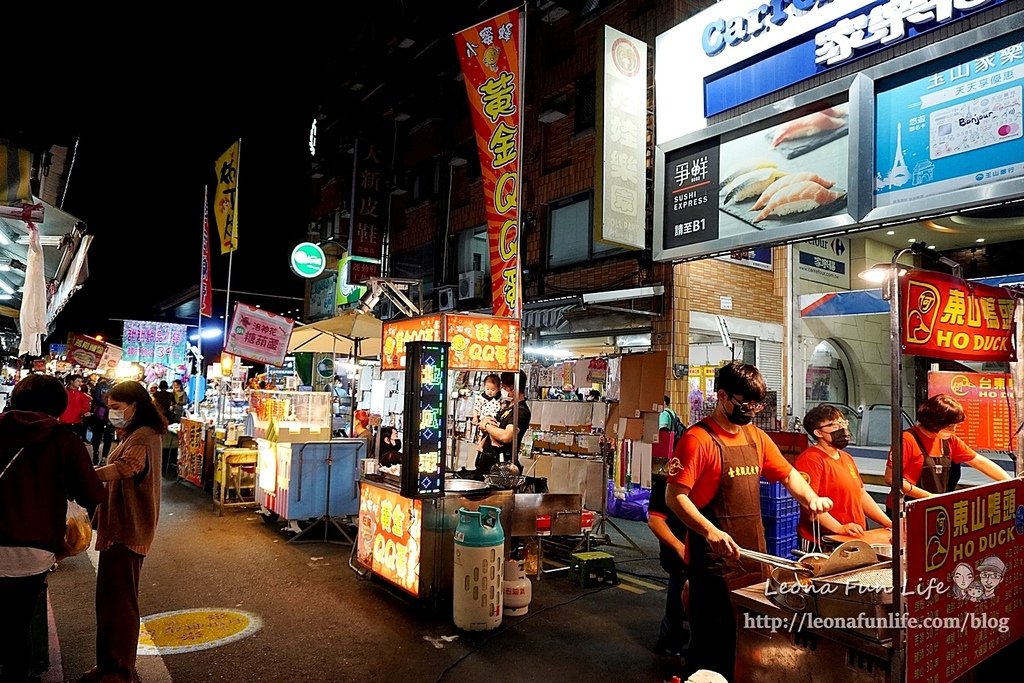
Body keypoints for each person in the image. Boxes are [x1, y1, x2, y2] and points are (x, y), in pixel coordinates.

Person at [666, 361, 833, 681]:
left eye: (757, 404)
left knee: (750, 644)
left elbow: (788, 474)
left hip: (754, 562)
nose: (752, 411)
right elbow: (675, 498)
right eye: (746, 403)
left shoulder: (756, 437)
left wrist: (809, 497)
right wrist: (710, 530)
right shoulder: (698, 439)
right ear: (723, 396)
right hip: (713, 565)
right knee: (711, 649)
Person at [0, 375, 104, 683]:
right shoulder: (63, 441)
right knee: (18, 627)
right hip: (32, 552)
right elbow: (92, 494)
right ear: (59, 405)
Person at [81, 381, 166, 683]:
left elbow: (126, 468)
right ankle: (106, 665)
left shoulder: (143, 436)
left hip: (130, 529)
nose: (112, 413)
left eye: (117, 408)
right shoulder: (134, 433)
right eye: (110, 408)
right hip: (118, 527)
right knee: (108, 602)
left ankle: (119, 670)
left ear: (136, 406)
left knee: (120, 604)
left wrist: (85, 476)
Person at [884, 394, 1009, 511]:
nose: (954, 430)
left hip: (936, 505)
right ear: (934, 422)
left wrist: (1010, 482)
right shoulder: (907, 439)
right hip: (906, 507)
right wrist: (928, 496)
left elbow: (979, 462)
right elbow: (891, 478)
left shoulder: (949, 440)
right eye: (950, 426)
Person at [795, 405, 891, 551]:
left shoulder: (847, 458)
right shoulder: (810, 460)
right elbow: (809, 506)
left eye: (843, 422)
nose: (842, 428)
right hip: (824, 542)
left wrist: (888, 523)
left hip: (854, 537)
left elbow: (861, 494)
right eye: (834, 424)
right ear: (818, 432)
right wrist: (839, 528)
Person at [648, 473, 690, 659]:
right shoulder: (666, 483)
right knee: (678, 591)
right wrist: (679, 547)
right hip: (678, 553)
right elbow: (655, 521)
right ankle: (670, 640)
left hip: (702, 552)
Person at [477, 371, 532, 475]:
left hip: (501, 469)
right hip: (486, 464)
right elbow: (492, 425)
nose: (502, 389)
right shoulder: (506, 407)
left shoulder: (521, 411)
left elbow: (506, 436)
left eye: (504, 387)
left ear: (513, 387)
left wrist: (486, 424)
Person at [471, 374, 502, 454]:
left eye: (493, 389)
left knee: (492, 432)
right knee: (482, 433)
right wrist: (475, 417)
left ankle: (492, 442)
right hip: (484, 419)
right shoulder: (481, 398)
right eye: (487, 389)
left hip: (494, 418)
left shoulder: (499, 398)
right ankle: (479, 444)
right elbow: (476, 407)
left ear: (498, 389)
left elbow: (502, 405)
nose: (490, 391)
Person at [60, 374, 93, 441]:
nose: (79, 383)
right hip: (63, 422)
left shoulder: (82, 395)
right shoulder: (63, 393)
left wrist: (85, 412)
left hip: (76, 422)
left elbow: (85, 406)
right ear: (72, 381)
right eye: (77, 381)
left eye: (80, 381)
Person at [90, 378, 114, 465]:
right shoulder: (99, 386)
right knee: (97, 435)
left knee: (108, 436)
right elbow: (96, 398)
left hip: (110, 414)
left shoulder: (116, 386)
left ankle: (104, 457)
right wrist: (107, 404)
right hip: (100, 414)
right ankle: (95, 452)